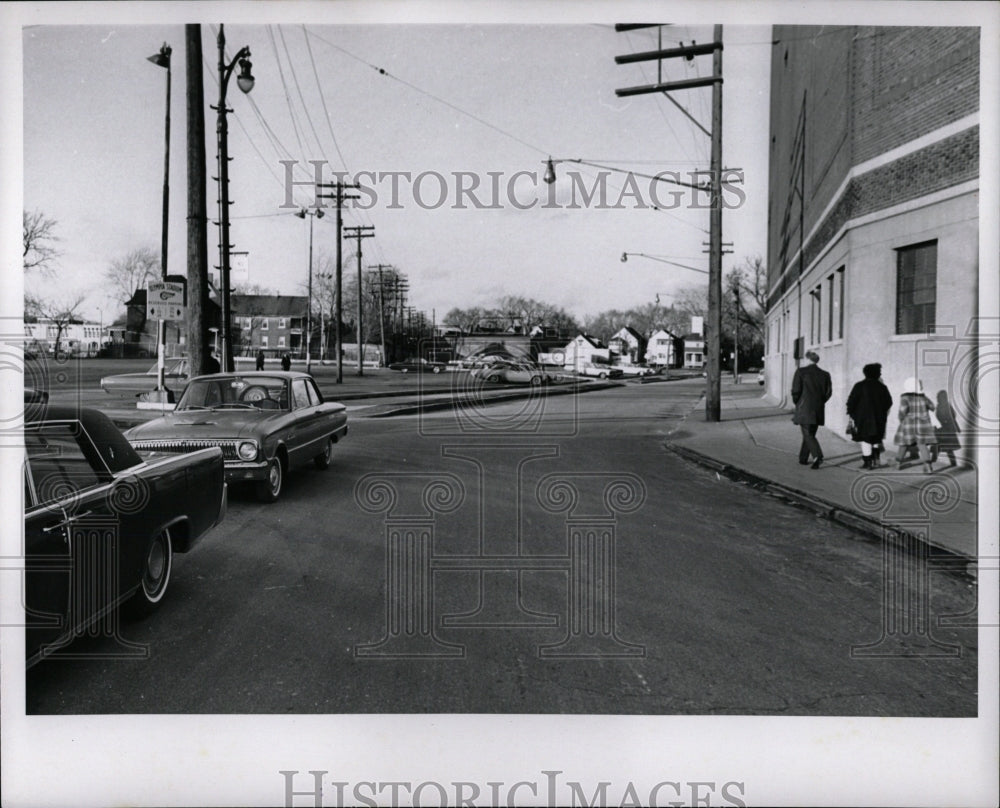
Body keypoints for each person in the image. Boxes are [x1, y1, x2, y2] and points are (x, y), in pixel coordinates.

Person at [846, 363, 894, 469]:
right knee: (876, 439)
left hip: (862, 418)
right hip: (879, 418)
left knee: (865, 439)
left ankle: (867, 462)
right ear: (876, 373)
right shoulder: (882, 387)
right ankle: (875, 459)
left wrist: (851, 413)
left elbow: (851, 401)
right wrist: (882, 412)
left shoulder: (859, 385)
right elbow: (889, 402)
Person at [791, 349, 833, 469]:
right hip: (818, 408)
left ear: (807, 359)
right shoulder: (825, 374)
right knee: (810, 433)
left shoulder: (801, 372)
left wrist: (797, 403)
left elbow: (795, 391)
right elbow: (828, 393)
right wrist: (820, 402)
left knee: (808, 433)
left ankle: (817, 456)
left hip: (804, 407)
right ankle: (803, 458)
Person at [893, 377, 937, 472]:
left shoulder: (905, 397)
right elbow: (932, 407)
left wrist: (901, 419)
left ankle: (898, 463)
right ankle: (928, 466)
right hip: (923, 424)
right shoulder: (923, 397)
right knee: (922, 444)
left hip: (909, 424)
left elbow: (902, 411)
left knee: (904, 443)